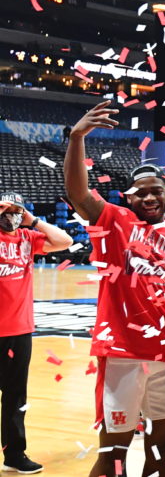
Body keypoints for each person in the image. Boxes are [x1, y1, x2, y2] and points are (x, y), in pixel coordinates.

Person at [64, 102, 165, 477]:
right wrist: (77, 138)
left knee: (162, 454)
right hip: (123, 354)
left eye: (156, 191)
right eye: (139, 193)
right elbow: (79, 193)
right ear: (127, 198)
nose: (148, 198)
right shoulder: (116, 223)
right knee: (113, 455)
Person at [0, 192, 73, 474]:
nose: (11, 217)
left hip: (19, 330)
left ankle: (14, 455)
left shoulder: (28, 239)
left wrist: (34, 220)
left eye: (16, 212)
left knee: (16, 397)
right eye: (6, 211)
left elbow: (64, 241)